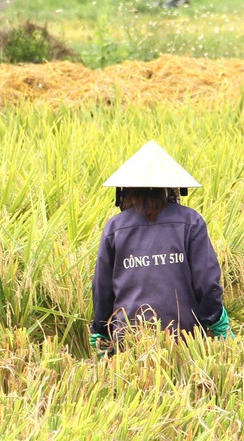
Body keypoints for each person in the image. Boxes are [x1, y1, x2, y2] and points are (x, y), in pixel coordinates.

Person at [91, 141, 231, 354]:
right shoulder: (191, 222)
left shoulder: (115, 227)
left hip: (129, 339)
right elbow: (207, 281)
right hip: (183, 338)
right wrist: (215, 318)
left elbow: (102, 288)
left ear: (125, 191)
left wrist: (100, 329)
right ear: (172, 189)